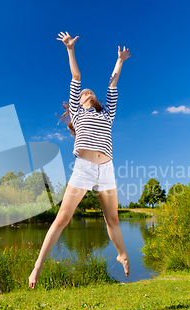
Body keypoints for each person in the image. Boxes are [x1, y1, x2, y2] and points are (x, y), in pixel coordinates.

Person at [28, 31, 131, 289]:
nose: (87, 92)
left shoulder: (107, 114)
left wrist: (119, 62)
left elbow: (113, 85)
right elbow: (76, 77)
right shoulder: (75, 112)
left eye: (89, 92)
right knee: (62, 218)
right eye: (84, 92)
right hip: (84, 169)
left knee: (113, 220)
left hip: (106, 169)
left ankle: (122, 253)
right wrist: (70, 49)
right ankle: (38, 266)